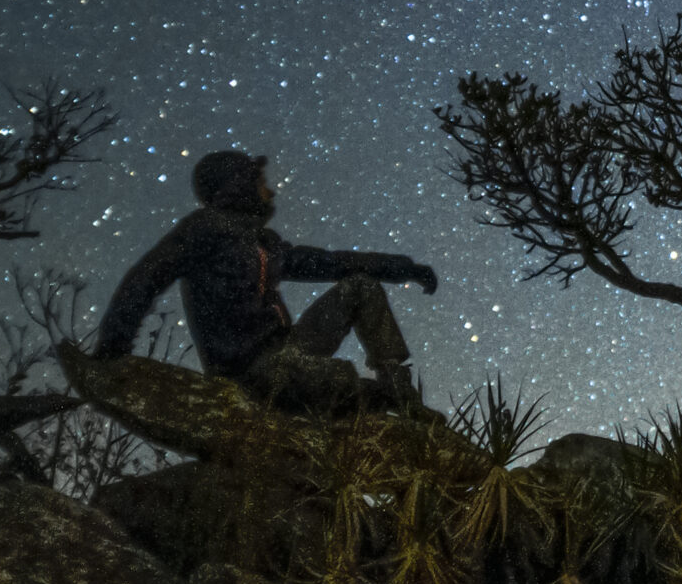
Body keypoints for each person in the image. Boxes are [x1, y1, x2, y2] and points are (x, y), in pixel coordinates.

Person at [93, 149, 441, 416]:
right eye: (261, 184)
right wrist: (114, 347)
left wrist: (403, 268)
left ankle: (397, 388)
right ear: (239, 185)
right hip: (247, 371)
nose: (271, 192)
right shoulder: (204, 229)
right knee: (324, 378)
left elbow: (332, 262)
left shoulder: (266, 243)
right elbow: (146, 277)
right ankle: (374, 398)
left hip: (287, 350)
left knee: (361, 286)